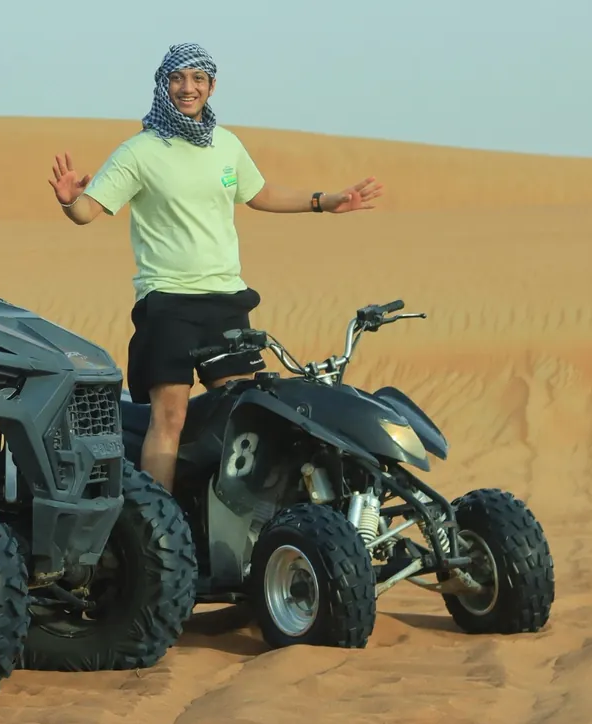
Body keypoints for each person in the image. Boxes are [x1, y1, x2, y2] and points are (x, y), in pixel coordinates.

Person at [49, 43, 383, 493]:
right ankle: (160, 529)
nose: (188, 88)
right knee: (170, 416)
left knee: (244, 413)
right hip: (168, 304)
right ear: (163, 85)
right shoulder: (139, 152)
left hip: (226, 303)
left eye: (198, 79)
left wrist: (325, 202)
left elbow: (259, 193)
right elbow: (88, 211)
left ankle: (236, 525)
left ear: (211, 86)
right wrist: (71, 200)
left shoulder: (226, 145)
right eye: (178, 79)